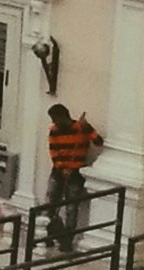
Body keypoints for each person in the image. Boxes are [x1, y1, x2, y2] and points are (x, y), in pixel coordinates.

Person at [44, 103, 104, 241]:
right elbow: (54, 152)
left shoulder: (81, 128)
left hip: (76, 172)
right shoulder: (54, 130)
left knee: (71, 206)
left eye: (54, 118)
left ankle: (67, 238)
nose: (53, 122)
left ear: (62, 116)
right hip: (59, 171)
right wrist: (62, 167)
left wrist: (87, 127)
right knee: (51, 201)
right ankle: (47, 233)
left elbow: (99, 142)